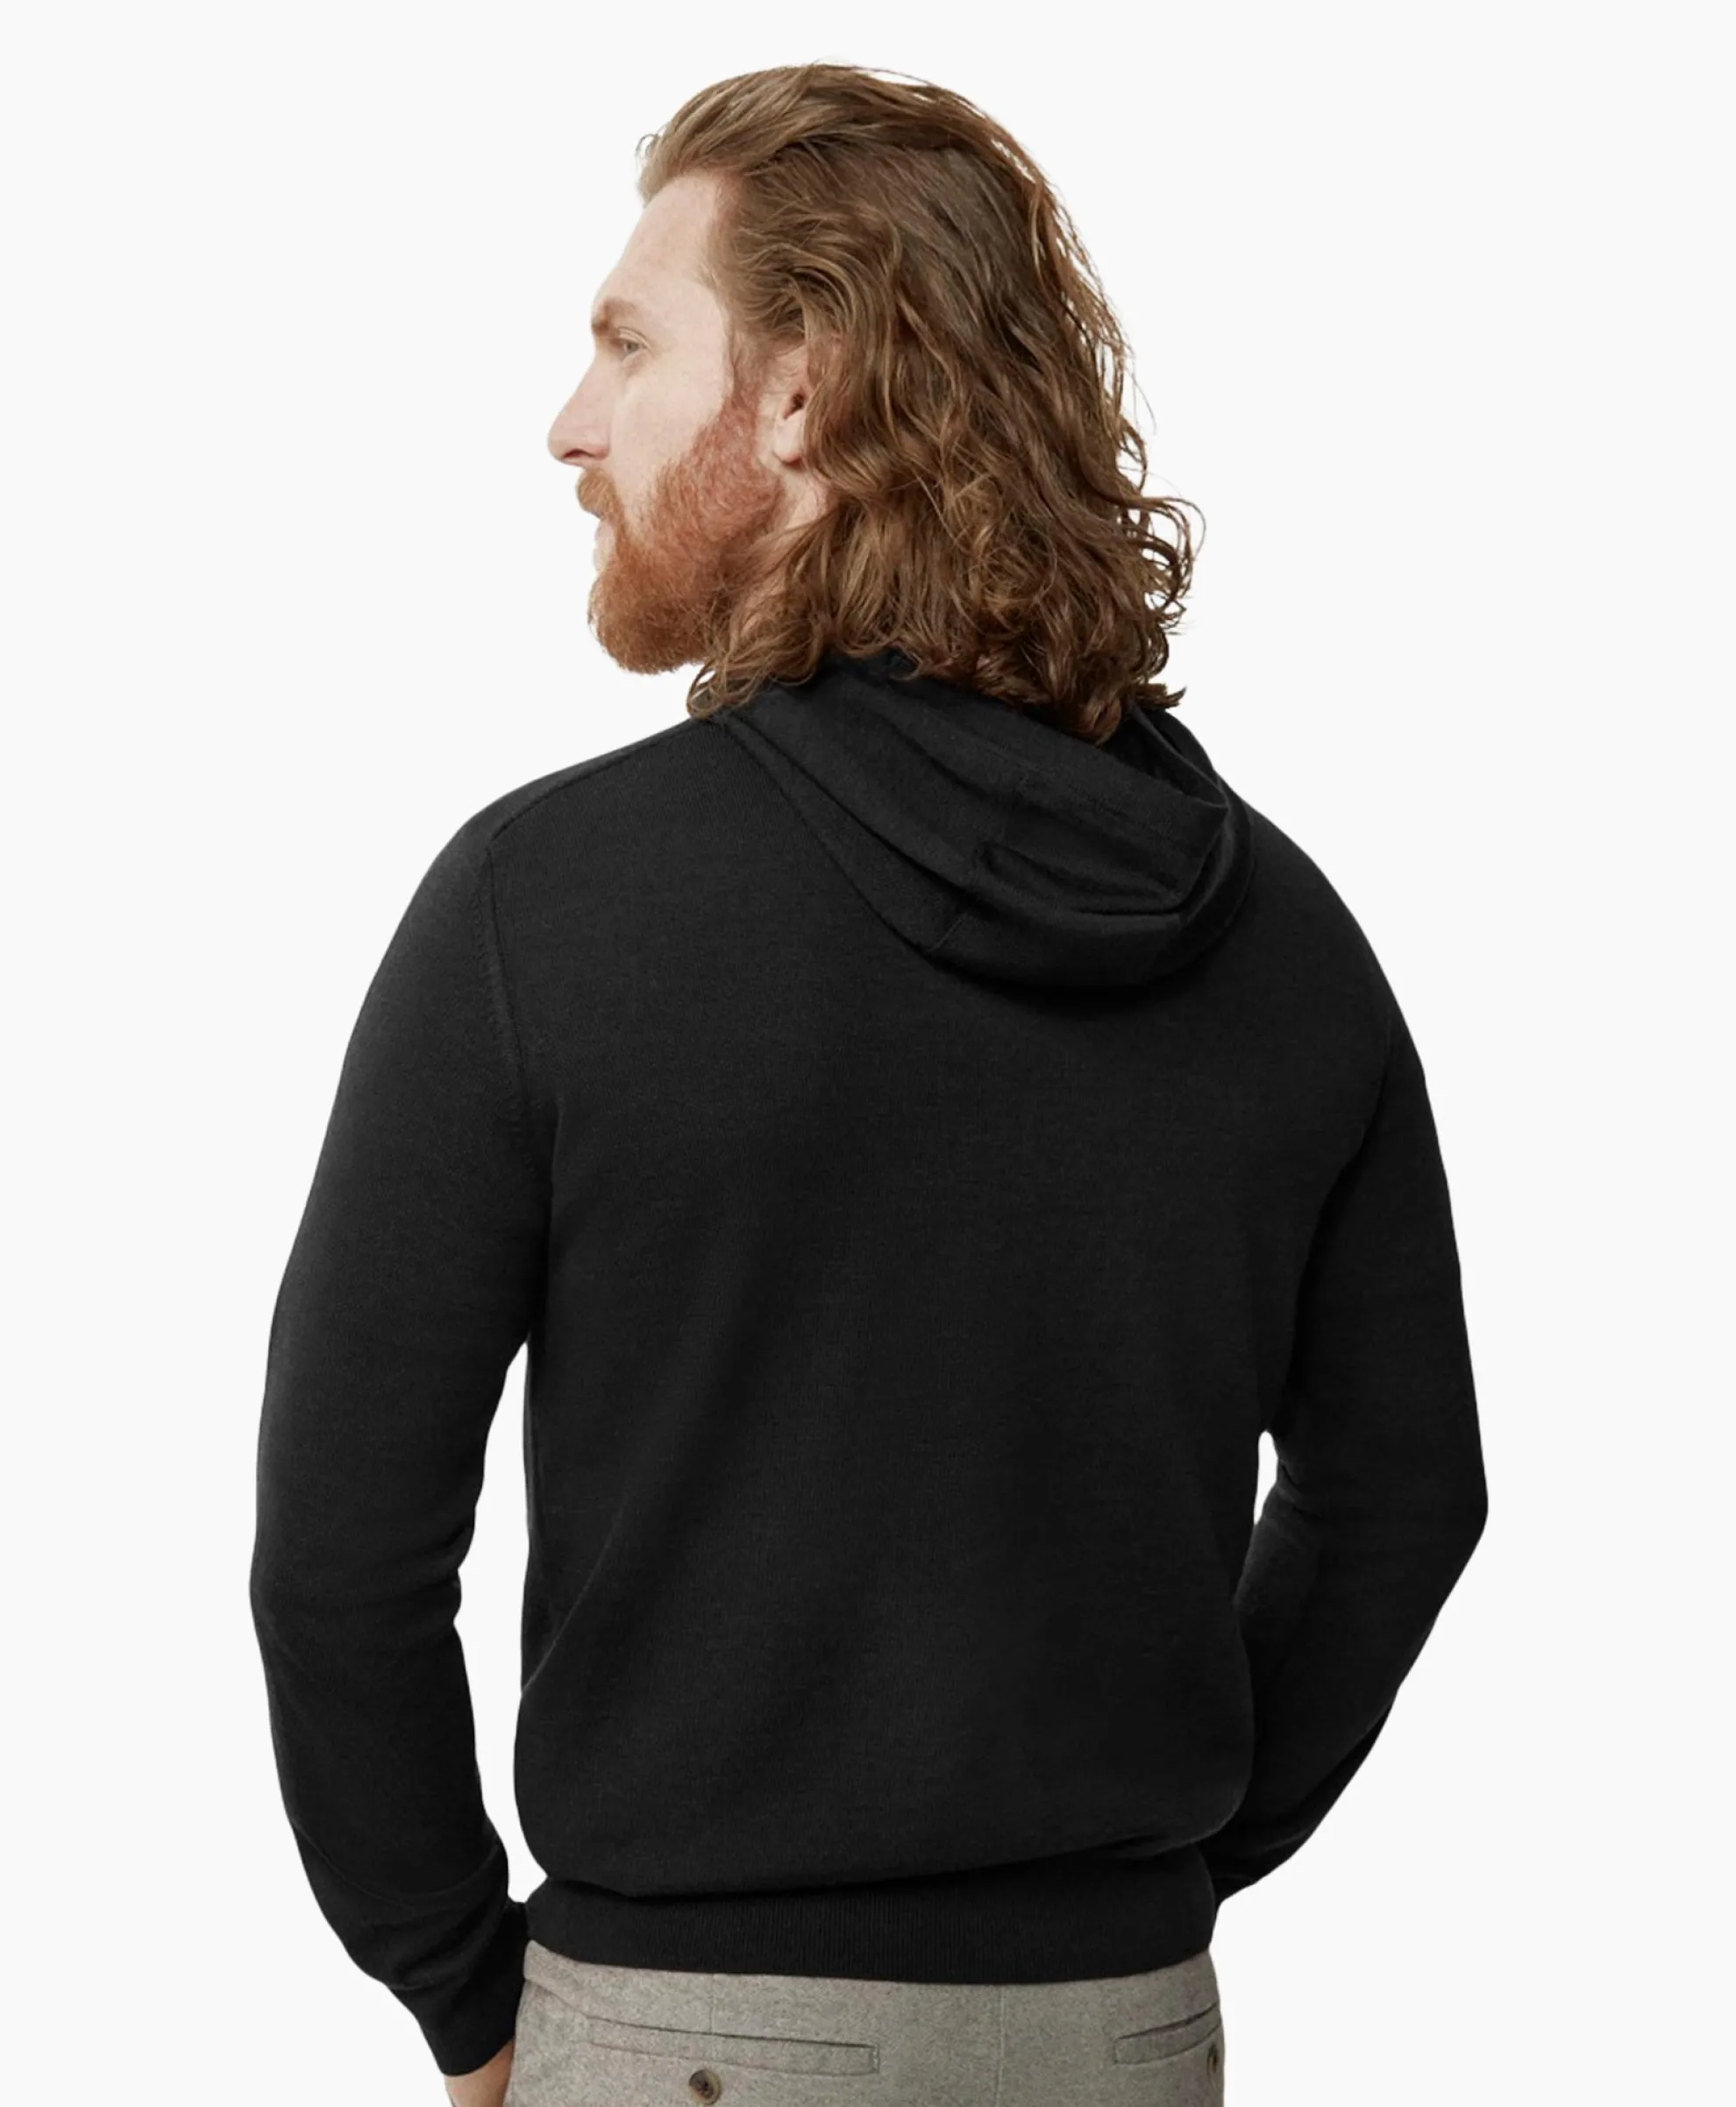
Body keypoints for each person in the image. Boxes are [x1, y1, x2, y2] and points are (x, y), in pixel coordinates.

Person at [249, 61, 1489, 2107]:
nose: (569, 422)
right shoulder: (1283, 938)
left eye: (629, 344)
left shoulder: (546, 905)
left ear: (802, 393)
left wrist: (462, 1990)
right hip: (1126, 2022)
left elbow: (342, 1555)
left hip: (689, 2036)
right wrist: (1145, 1856)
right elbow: (1406, 1492)